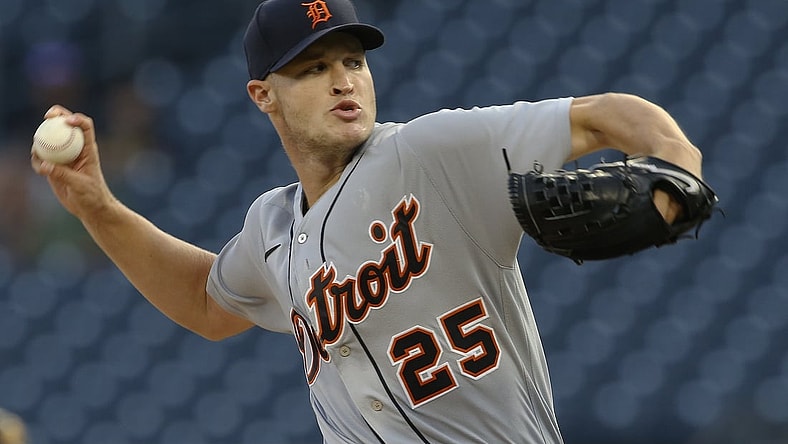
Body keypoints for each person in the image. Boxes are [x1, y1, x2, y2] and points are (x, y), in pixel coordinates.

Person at [31, 0, 703, 442]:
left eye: (353, 60)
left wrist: (675, 163)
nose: (344, 80)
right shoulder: (270, 225)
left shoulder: (430, 152)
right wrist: (95, 203)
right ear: (263, 95)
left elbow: (603, 114)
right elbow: (206, 302)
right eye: (314, 67)